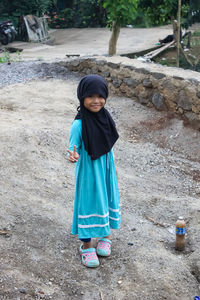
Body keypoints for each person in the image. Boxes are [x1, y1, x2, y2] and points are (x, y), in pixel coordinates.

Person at [67, 74, 121, 268]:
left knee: (106, 198)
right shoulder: (78, 124)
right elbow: (72, 148)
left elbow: (109, 143)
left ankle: (105, 235)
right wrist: (72, 155)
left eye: (100, 96)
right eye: (90, 96)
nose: (96, 101)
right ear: (82, 97)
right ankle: (86, 246)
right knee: (89, 203)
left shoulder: (106, 118)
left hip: (106, 169)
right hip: (89, 173)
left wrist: (112, 169)